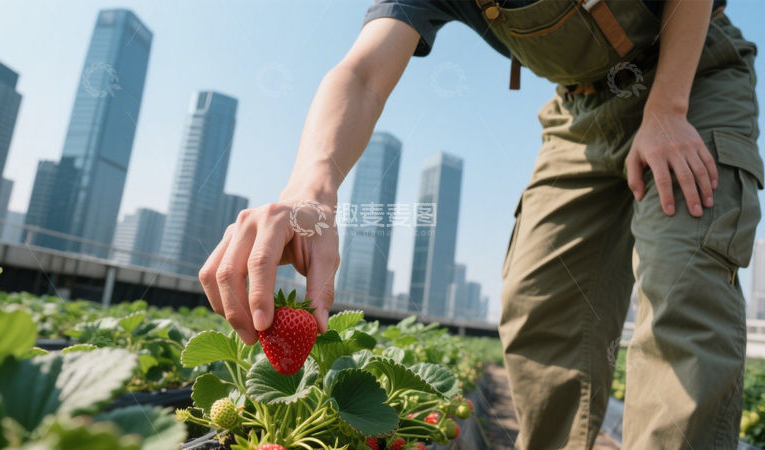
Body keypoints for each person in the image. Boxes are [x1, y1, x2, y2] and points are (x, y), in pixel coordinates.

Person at [200, 0, 760, 447]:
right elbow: (364, 73)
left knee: (683, 288)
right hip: (580, 110)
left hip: (692, 79)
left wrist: (667, 109)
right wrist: (310, 189)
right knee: (540, 305)